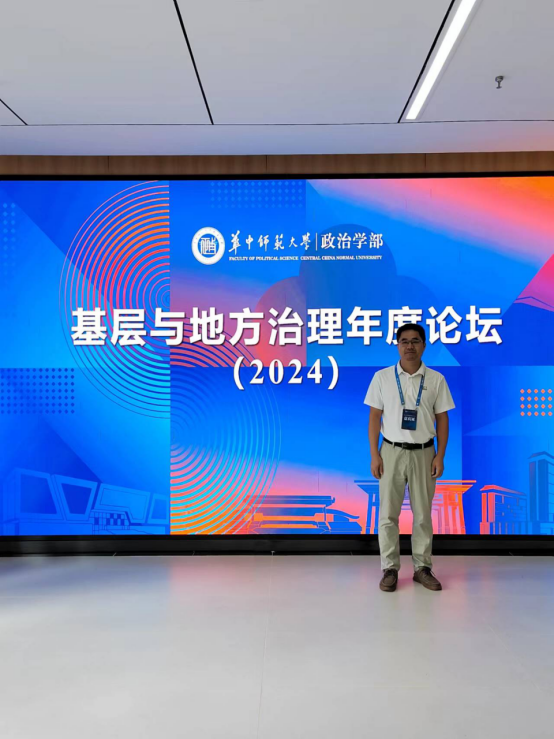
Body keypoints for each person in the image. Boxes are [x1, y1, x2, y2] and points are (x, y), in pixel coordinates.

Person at [364, 323, 455, 592]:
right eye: (404, 341)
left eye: (415, 341)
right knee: (388, 514)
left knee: (423, 514)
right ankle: (390, 569)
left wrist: (440, 455)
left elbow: (442, 419)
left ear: (424, 345)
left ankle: (422, 568)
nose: (410, 346)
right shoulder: (382, 378)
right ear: (397, 345)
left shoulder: (436, 379)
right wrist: (374, 454)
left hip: (424, 453)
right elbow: (374, 417)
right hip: (390, 451)